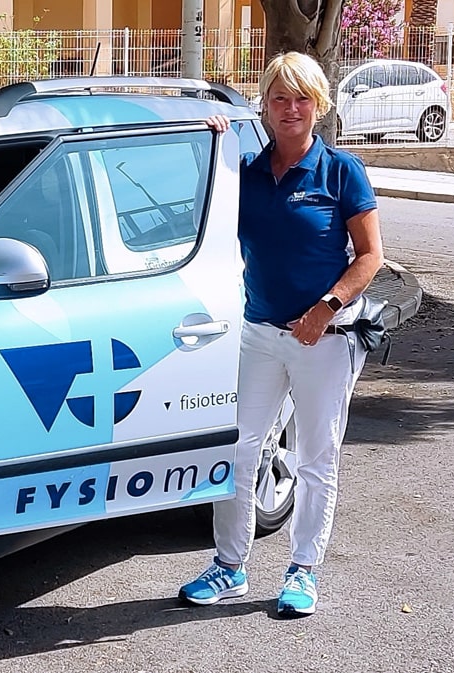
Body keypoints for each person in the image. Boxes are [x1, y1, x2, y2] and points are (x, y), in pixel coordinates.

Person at [179, 51, 384, 616]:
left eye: (302, 99)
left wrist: (326, 307)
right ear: (265, 106)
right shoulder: (245, 171)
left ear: (319, 105)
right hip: (261, 333)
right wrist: (213, 143)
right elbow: (197, 210)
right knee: (240, 448)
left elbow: (370, 256)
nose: (291, 109)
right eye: (279, 98)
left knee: (317, 458)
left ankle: (303, 570)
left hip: (325, 339)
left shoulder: (341, 171)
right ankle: (229, 566)